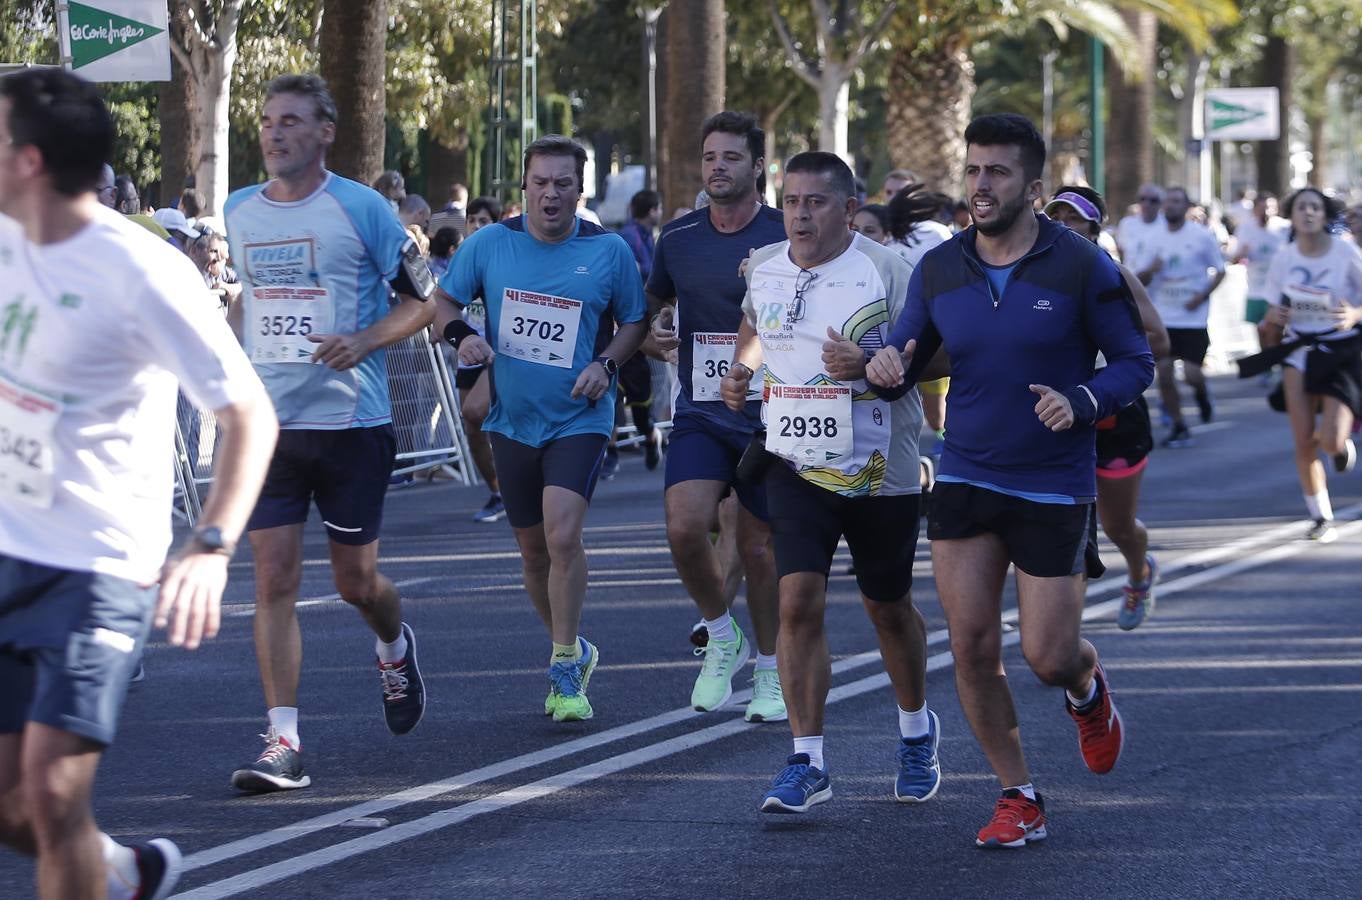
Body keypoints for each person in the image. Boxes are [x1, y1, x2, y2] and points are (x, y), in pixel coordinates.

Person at [0, 67, 278, 900]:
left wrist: (212, 543)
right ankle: (122, 871)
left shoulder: (144, 273)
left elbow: (248, 416)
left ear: (29, 160)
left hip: (100, 566)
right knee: (18, 810)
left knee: (53, 792)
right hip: (7, 550)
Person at [867, 114, 1154, 848]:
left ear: (1032, 184)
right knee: (969, 645)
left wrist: (1084, 401)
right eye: (972, 170)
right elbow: (908, 347)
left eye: (996, 172)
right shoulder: (941, 267)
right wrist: (884, 365)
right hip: (966, 469)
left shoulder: (1081, 265)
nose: (981, 184)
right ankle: (1017, 794)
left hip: (1054, 481)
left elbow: (1135, 361)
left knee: (1048, 655)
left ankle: (1087, 692)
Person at [223, 73, 436, 793]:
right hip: (271, 426)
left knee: (356, 583)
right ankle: (283, 741)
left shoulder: (364, 208)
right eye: (267, 120)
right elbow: (248, 307)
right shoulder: (239, 210)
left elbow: (424, 303)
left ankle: (393, 642)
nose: (275, 132)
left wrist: (366, 339)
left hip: (351, 423)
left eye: (290, 120)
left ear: (325, 132)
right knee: (274, 578)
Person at [723, 150, 941, 813]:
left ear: (849, 209)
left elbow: (943, 351)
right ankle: (807, 759)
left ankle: (914, 729)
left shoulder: (889, 269)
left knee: (887, 607)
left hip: (881, 468)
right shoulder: (764, 267)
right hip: (794, 461)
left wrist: (876, 360)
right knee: (796, 604)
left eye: (815, 202)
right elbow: (754, 329)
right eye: (790, 201)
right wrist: (740, 372)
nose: (799, 214)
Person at [436, 134, 646, 722]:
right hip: (512, 419)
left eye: (563, 184)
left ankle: (561, 669)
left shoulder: (609, 253)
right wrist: (465, 337)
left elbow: (634, 320)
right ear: (523, 186)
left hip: (580, 414)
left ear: (581, 191)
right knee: (532, 553)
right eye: (541, 182)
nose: (551, 194)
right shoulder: (488, 245)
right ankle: (575, 648)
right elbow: (442, 305)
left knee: (560, 535)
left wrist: (607, 365)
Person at [646, 111, 788, 721]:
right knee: (684, 527)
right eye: (709, 158)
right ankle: (720, 635)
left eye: (731, 158)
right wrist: (655, 332)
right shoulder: (677, 240)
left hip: (771, 412)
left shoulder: (788, 233)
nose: (717, 168)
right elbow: (649, 313)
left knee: (758, 550)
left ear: (758, 165)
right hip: (702, 411)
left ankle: (773, 671)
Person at [1045, 186, 1171, 630]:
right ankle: (1059, 635)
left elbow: (1158, 338)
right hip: (1053, 418)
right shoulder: (1029, 278)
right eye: (1054, 215)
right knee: (1063, 529)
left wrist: (1101, 362)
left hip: (1115, 417)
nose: (1061, 224)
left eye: (1073, 218)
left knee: (1117, 527)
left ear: (1094, 228)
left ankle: (1140, 571)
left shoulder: (1114, 275)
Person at [1239, 187, 1362, 543]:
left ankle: (1340, 448)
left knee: (1330, 439)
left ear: (1324, 215)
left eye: (1315, 207)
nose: (1308, 213)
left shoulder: (1345, 252)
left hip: (1340, 350)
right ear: (1292, 215)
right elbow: (1272, 315)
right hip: (1299, 352)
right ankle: (1321, 516)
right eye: (1301, 207)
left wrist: (1353, 313)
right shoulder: (1284, 257)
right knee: (1303, 440)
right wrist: (1274, 316)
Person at [1137, 186, 1225, 446]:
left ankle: (1202, 393)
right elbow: (1139, 278)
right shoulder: (1154, 238)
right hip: (1164, 317)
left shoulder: (1201, 236)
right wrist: (1151, 269)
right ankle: (1179, 425)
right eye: (1169, 201)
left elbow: (1220, 271)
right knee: (1164, 373)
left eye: (1177, 201)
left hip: (1193, 317)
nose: (1171, 205)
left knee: (1191, 374)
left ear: (1187, 207)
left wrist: (1201, 295)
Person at [449, 196, 505, 522]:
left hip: (501, 352)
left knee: (479, 412)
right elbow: (443, 299)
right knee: (472, 424)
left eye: (484, 221)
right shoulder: (463, 259)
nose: (477, 227)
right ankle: (498, 490)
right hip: (468, 352)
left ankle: (520, 485)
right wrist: (443, 325)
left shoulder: (505, 257)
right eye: (472, 221)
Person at [1232, 192, 1290, 336]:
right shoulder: (1245, 229)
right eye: (1262, 207)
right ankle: (1267, 358)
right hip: (1255, 290)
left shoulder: (1285, 228)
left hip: (1279, 291)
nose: (1266, 211)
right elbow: (1234, 259)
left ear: (1276, 209)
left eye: (1270, 207)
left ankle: (1276, 358)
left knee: (1276, 332)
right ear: (1254, 210)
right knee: (1261, 332)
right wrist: (1242, 254)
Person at [1115, 183, 1165, 270]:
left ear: (1161, 203)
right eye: (1143, 199)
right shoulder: (1126, 224)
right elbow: (1121, 251)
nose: (1147, 204)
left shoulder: (1167, 225)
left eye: (1153, 200)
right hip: (1131, 279)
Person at [619, 189, 660, 282]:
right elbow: (631, 270)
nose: (661, 212)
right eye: (660, 208)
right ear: (652, 211)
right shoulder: (630, 236)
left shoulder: (647, 234)